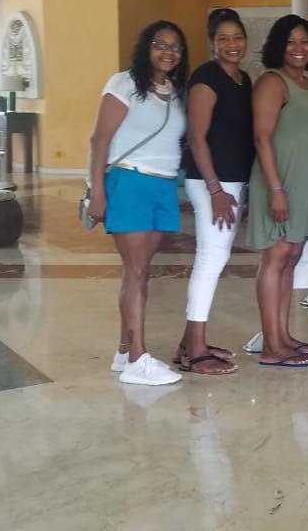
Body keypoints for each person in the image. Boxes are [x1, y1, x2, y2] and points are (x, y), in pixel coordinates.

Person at [87, 20, 189, 386]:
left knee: (140, 270)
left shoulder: (175, 92)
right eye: (160, 44)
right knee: (137, 272)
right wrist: (97, 191)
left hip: (163, 186)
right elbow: (99, 140)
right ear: (146, 47)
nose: (168, 52)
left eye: (175, 46)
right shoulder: (124, 83)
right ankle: (137, 359)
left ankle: (123, 350)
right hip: (129, 180)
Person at [247, 14, 308, 368]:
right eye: (291, 42)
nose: (299, 48)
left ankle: (282, 337)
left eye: (304, 41)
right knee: (276, 257)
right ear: (278, 47)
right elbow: (261, 137)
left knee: (291, 257)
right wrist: (276, 189)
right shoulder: (273, 81)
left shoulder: (305, 83)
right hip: (281, 182)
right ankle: (271, 346)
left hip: (305, 184)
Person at [177, 9, 251, 376]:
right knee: (211, 258)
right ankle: (195, 351)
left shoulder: (243, 79)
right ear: (212, 43)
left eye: (237, 37)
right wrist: (215, 189)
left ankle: (188, 343)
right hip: (212, 182)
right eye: (223, 38)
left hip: (231, 181)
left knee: (214, 257)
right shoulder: (206, 78)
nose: (231, 44)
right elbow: (196, 137)